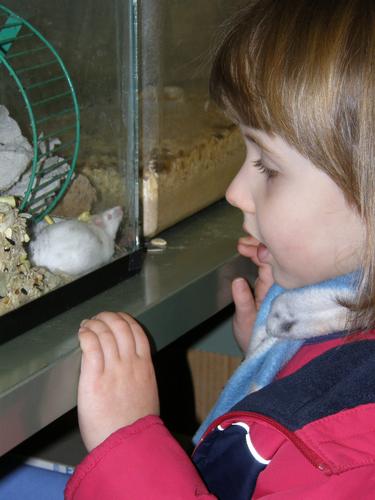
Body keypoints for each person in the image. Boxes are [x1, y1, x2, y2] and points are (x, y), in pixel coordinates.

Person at [65, 1, 375, 498]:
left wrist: (128, 445)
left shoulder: (351, 455)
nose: (234, 192)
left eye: (268, 167)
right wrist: (287, 349)